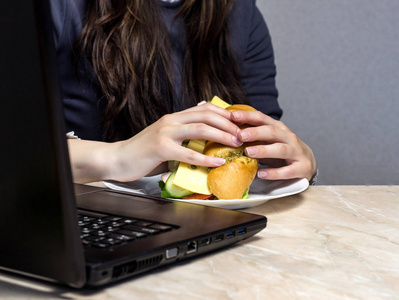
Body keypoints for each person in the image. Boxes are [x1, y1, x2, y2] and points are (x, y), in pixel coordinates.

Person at [50, 0, 317, 185]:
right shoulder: (60, 8)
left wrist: (302, 157)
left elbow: (264, 137)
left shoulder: (240, 12)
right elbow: (15, 152)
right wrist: (120, 157)